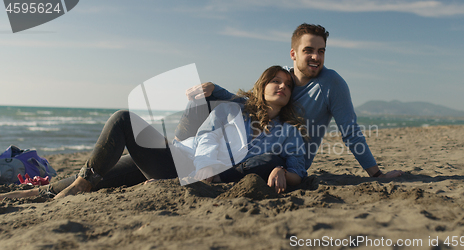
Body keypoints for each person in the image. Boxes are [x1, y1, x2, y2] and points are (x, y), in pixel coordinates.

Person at [0, 65, 307, 201]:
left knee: (123, 120)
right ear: (262, 85)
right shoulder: (235, 108)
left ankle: (78, 183)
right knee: (106, 173)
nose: (282, 87)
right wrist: (211, 87)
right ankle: (39, 192)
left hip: (188, 172)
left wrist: (280, 168)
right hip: (184, 159)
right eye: (275, 81)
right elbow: (212, 119)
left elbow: (298, 173)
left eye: (288, 85)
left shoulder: (291, 134)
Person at [186, 23, 403, 178]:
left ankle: (201, 169)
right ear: (293, 53)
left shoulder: (332, 84)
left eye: (321, 51)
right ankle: (182, 155)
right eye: (308, 50)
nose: (316, 57)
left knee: (267, 160)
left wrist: (376, 173)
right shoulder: (279, 77)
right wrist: (215, 89)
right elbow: (251, 101)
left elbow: (350, 131)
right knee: (204, 99)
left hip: (286, 158)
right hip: (254, 146)